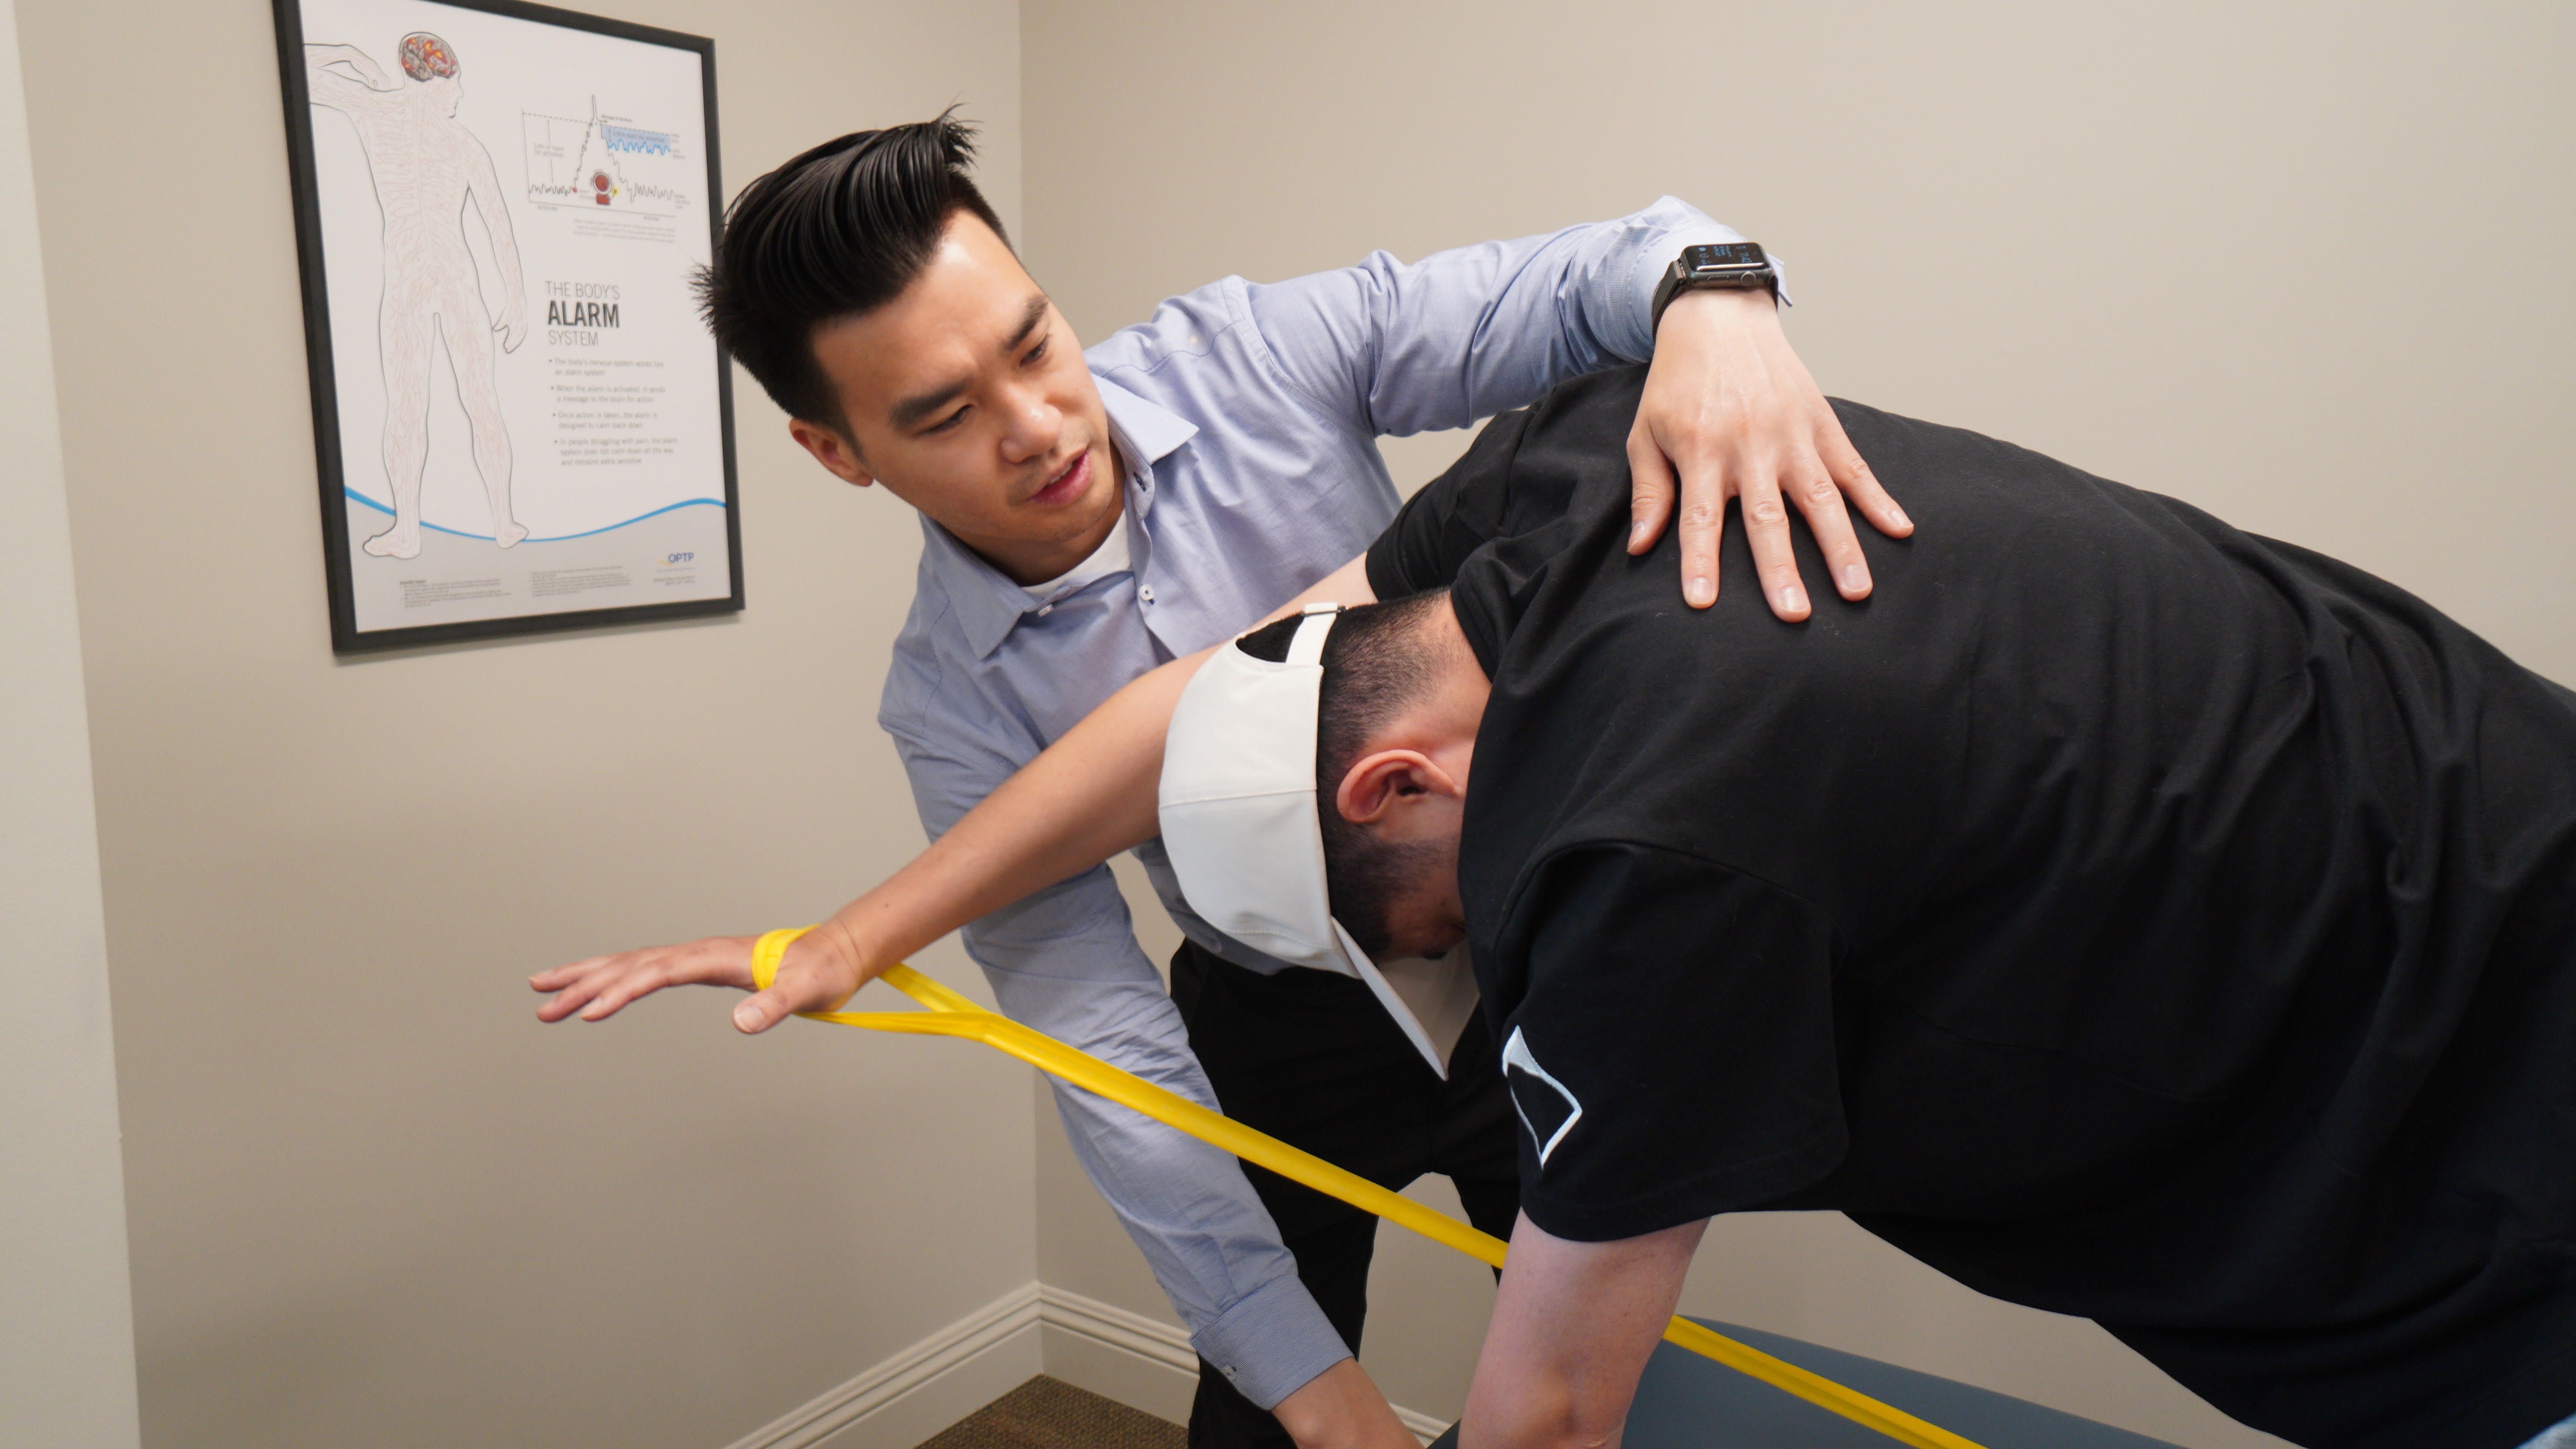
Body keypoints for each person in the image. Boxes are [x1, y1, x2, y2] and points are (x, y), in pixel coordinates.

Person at [528, 114, 1911, 1449]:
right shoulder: (949, 709)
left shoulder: (1250, 354)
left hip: (1528, 957)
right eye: (946, 414)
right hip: (1271, 1022)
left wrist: (1714, 302)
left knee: (1595, 1401)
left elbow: (1606, 267)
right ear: (837, 452)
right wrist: (1314, 1388)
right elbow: (1104, 1049)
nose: (1037, 427)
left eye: (1034, 344)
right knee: (1262, 1418)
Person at [1148, 366, 2576, 1449]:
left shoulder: (1627, 863)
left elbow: (1555, 1410)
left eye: (1440, 929)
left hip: (2486, 1130)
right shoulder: (1592, 453)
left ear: (1391, 787)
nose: (1489, 951)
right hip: (2502, 790)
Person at [304, 33, 529, 557]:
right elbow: (298, 68)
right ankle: (415, 529)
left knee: (470, 403)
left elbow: (500, 225)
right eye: (455, 82)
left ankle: (499, 520)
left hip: (438, 278)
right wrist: (346, 52)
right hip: (427, 279)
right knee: (421, 406)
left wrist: (517, 298)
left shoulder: (434, 133)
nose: (461, 94)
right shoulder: (407, 122)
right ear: (433, 81)